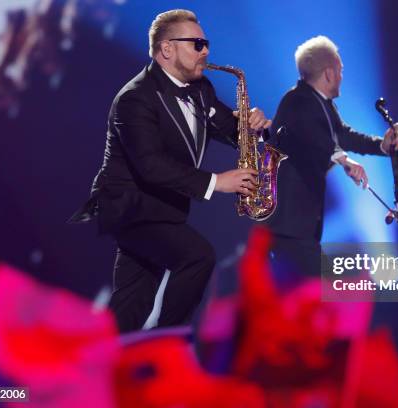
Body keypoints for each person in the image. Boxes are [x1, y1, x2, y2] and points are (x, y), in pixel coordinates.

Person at [69, 9, 270, 333]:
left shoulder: (201, 89)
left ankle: (106, 362)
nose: (206, 51)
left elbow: (229, 129)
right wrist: (217, 181)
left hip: (164, 209)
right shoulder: (135, 98)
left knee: (133, 303)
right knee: (198, 257)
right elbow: (151, 166)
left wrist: (253, 126)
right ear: (167, 49)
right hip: (130, 207)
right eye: (197, 44)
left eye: (206, 44)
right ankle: (170, 345)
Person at [265, 35, 398, 280]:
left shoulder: (323, 104)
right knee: (325, 289)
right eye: (340, 70)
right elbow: (309, 138)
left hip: (302, 225)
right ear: (329, 73)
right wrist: (344, 159)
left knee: (311, 296)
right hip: (286, 224)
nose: (341, 76)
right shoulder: (296, 101)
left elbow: (342, 136)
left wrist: (381, 145)